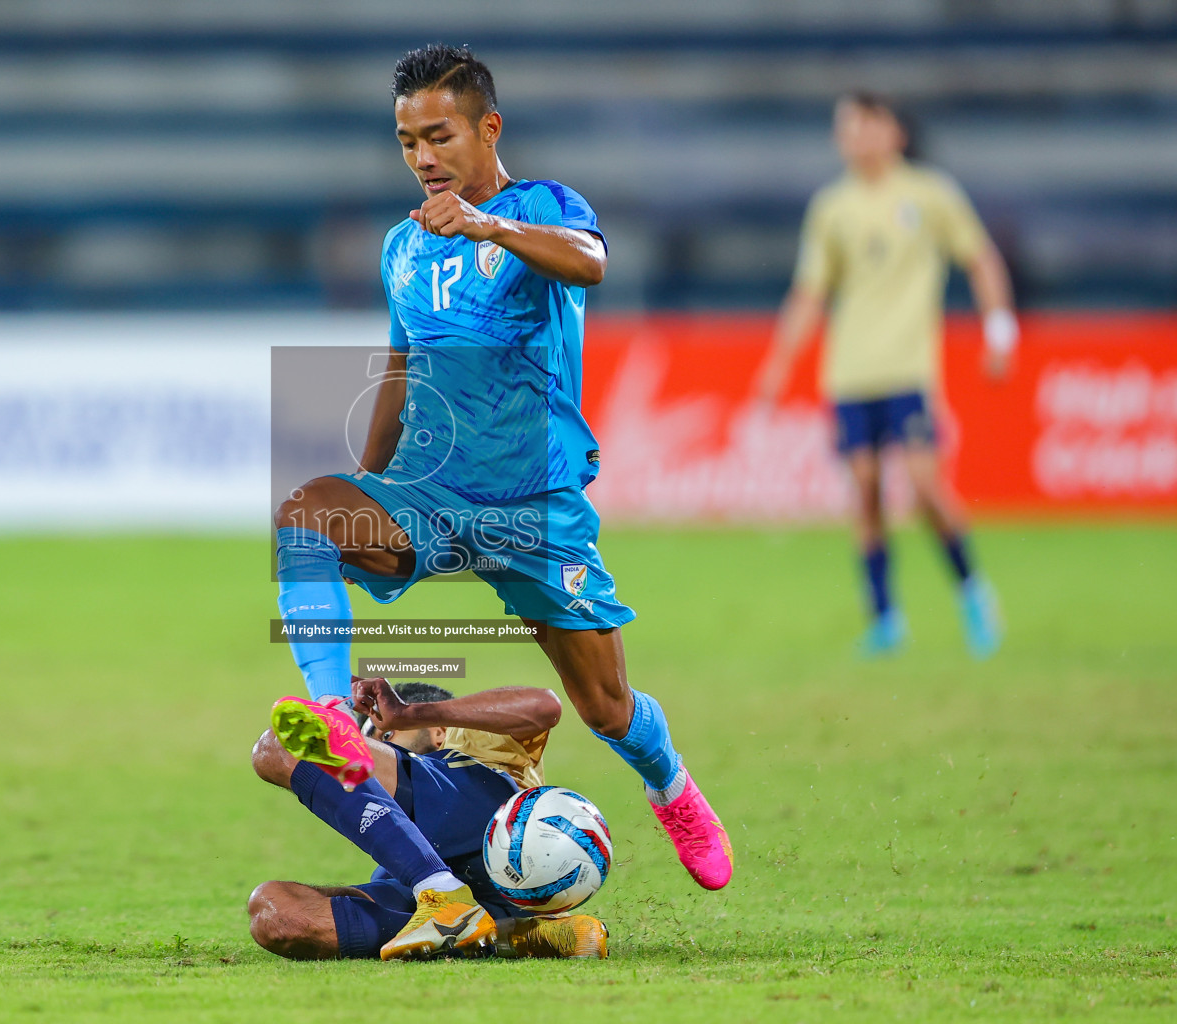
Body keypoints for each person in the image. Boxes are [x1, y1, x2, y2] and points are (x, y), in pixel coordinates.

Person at [267, 43, 733, 960]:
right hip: (436, 496)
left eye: (438, 135)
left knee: (603, 705)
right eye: (407, 142)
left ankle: (671, 783)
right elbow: (399, 371)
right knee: (304, 516)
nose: (423, 157)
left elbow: (591, 265)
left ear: (488, 128)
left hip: (535, 506)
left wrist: (486, 227)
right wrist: (372, 486)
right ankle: (333, 721)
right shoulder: (403, 246)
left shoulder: (543, 209)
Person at [754, 91, 1014, 658]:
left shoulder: (929, 194)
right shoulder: (833, 207)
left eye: (866, 124)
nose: (855, 136)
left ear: (894, 131)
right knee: (865, 492)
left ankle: (973, 592)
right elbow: (810, 291)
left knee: (925, 487)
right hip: (849, 375)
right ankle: (885, 620)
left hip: (907, 371)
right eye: (845, 126)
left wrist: (1000, 329)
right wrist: (778, 364)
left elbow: (981, 257)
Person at [249, 678, 609, 960]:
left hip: (486, 822)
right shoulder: (397, 847)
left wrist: (410, 712)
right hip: (440, 882)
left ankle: (443, 892)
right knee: (274, 914)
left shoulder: (469, 745)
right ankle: (506, 933)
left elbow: (544, 706)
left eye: (386, 735)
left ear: (438, 731)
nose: (374, 744)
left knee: (283, 745)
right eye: (367, 739)